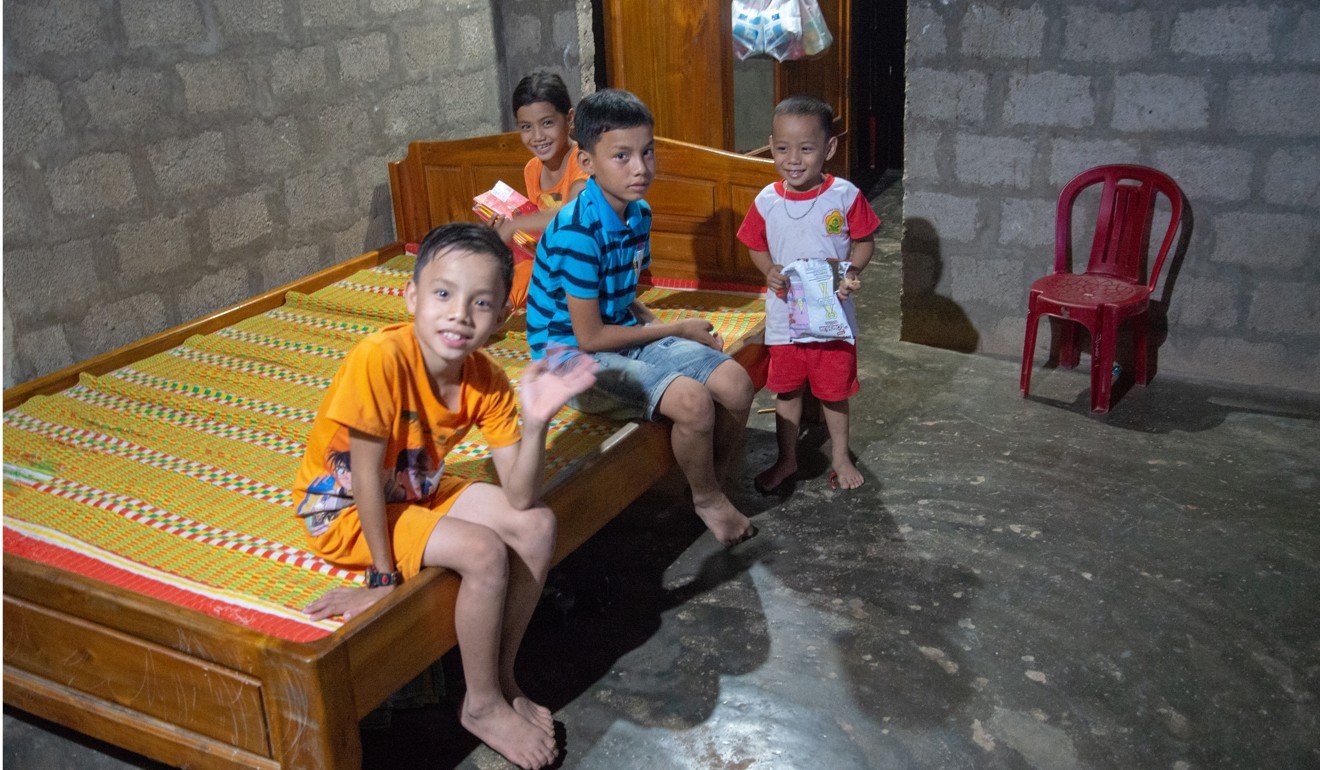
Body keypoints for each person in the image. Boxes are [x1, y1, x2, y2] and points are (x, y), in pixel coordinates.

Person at [294, 222, 597, 770]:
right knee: (482, 551)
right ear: (410, 295)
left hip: (414, 488)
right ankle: (479, 705)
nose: (460, 314)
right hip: (342, 509)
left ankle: (502, 678)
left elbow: (523, 497)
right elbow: (363, 476)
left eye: (481, 302)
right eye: (443, 294)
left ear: (501, 316)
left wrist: (534, 421)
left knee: (538, 526)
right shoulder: (379, 357)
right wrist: (384, 580)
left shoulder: (487, 379)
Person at [525, 88, 758, 547]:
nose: (640, 168)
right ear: (587, 163)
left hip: (620, 333)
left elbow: (622, 291)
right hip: (567, 356)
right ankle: (707, 497)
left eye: (647, 152)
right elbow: (587, 337)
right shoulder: (576, 230)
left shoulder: (639, 214)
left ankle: (715, 479)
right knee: (692, 401)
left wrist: (650, 323)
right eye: (622, 156)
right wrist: (677, 329)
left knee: (737, 384)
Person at [736, 94, 880, 492]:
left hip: (831, 317)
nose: (793, 159)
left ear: (829, 148)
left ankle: (839, 456)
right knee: (787, 389)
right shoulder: (767, 200)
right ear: (771, 145)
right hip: (785, 321)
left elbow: (865, 241)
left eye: (806, 148)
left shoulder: (844, 196)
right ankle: (787, 460)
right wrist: (769, 270)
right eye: (782, 148)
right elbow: (754, 243)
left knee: (834, 391)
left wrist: (851, 270)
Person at [489, 70, 592, 308]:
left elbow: (573, 217)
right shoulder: (532, 169)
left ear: (569, 118)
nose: (537, 137)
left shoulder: (584, 161)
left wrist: (516, 225)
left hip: (587, 260)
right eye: (526, 127)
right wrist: (504, 229)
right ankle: (491, 313)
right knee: (506, 271)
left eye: (547, 123)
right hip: (553, 260)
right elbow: (541, 230)